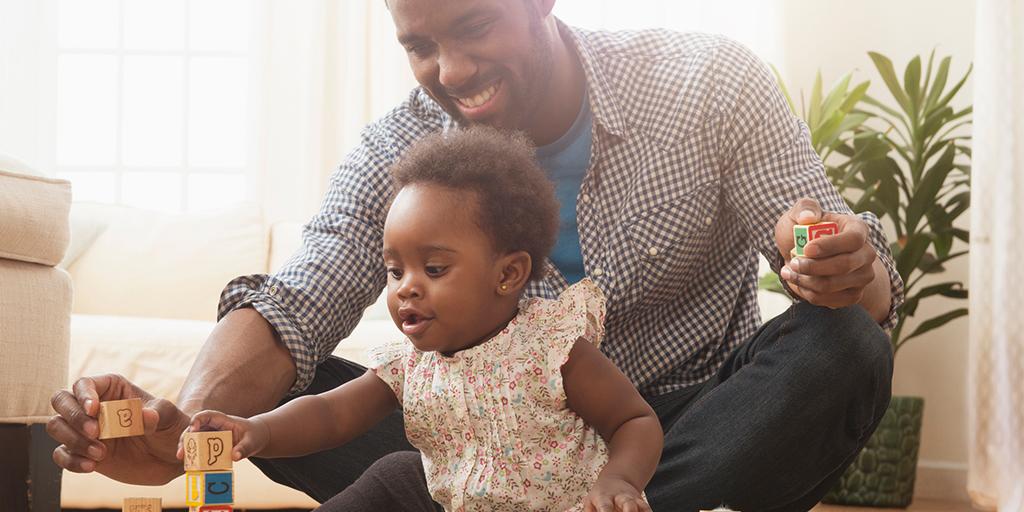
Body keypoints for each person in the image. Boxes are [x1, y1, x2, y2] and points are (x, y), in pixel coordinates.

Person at [48, 0, 904, 510]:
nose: (451, 68)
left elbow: (828, 250)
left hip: (673, 431)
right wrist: (189, 434)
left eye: (474, 26)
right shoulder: (398, 151)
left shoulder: (706, 82)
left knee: (844, 345)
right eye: (420, 43)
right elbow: (300, 299)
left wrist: (835, 264)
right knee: (293, 389)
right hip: (478, 449)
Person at [178, 127, 663, 512]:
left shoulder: (551, 347)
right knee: (398, 472)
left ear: (508, 273)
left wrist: (618, 480)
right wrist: (257, 430)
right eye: (394, 270)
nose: (407, 286)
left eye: (434, 269)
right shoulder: (410, 367)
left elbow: (634, 419)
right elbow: (330, 413)